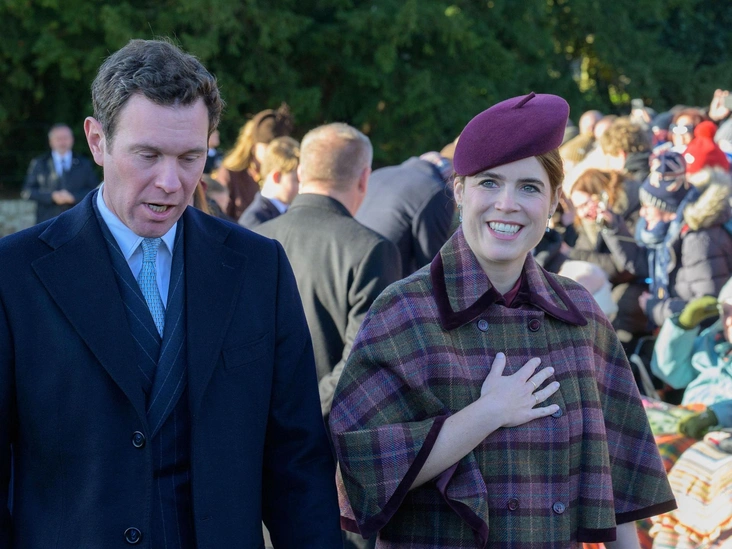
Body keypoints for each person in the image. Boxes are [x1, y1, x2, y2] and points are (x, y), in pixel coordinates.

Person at [0, 39, 341, 548]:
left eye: (189, 157)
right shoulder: (14, 274)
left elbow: (297, 461)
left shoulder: (258, 267)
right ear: (97, 141)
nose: (170, 182)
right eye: (148, 155)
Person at [329, 93, 675, 549]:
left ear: (553, 202)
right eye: (489, 183)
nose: (507, 204)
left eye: (529, 187)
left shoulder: (581, 314)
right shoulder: (403, 311)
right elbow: (360, 470)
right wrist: (487, 413)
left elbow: (621, 489)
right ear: (459, 191)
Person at [256, 123, 401, 418]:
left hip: (255, 423)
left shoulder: (255, 238)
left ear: (300, 173)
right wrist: (302, 417)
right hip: (326, 430)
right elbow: (362, 363)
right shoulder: (371, 249)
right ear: (364, 178)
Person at [355, 151, 455, 278]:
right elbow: (432, 265)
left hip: (349, 266)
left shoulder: (379, 173)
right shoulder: (436, 190)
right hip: (382, 277)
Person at [216, 103, 293, 219]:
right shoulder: (231, 174)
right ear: (253, 146)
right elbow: (219, 215)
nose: (274, 154)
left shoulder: (285, 177)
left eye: (278, 150)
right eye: (269, 147)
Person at [21, 123, 99, 223]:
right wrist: (52, 196)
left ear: (72, 140)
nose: (62, 142)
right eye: (58, 139)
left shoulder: (84, 163)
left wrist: (73, 197)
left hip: (78, 221)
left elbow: (94, 190)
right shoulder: (39, 163)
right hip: (47, 222)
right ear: (50, 141)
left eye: (65, 138)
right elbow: (27, 192)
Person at [239, 136, 300, 229]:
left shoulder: (290, 212)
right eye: (297, 180)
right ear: (277, 177)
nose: (302, 186)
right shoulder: (254, 220)